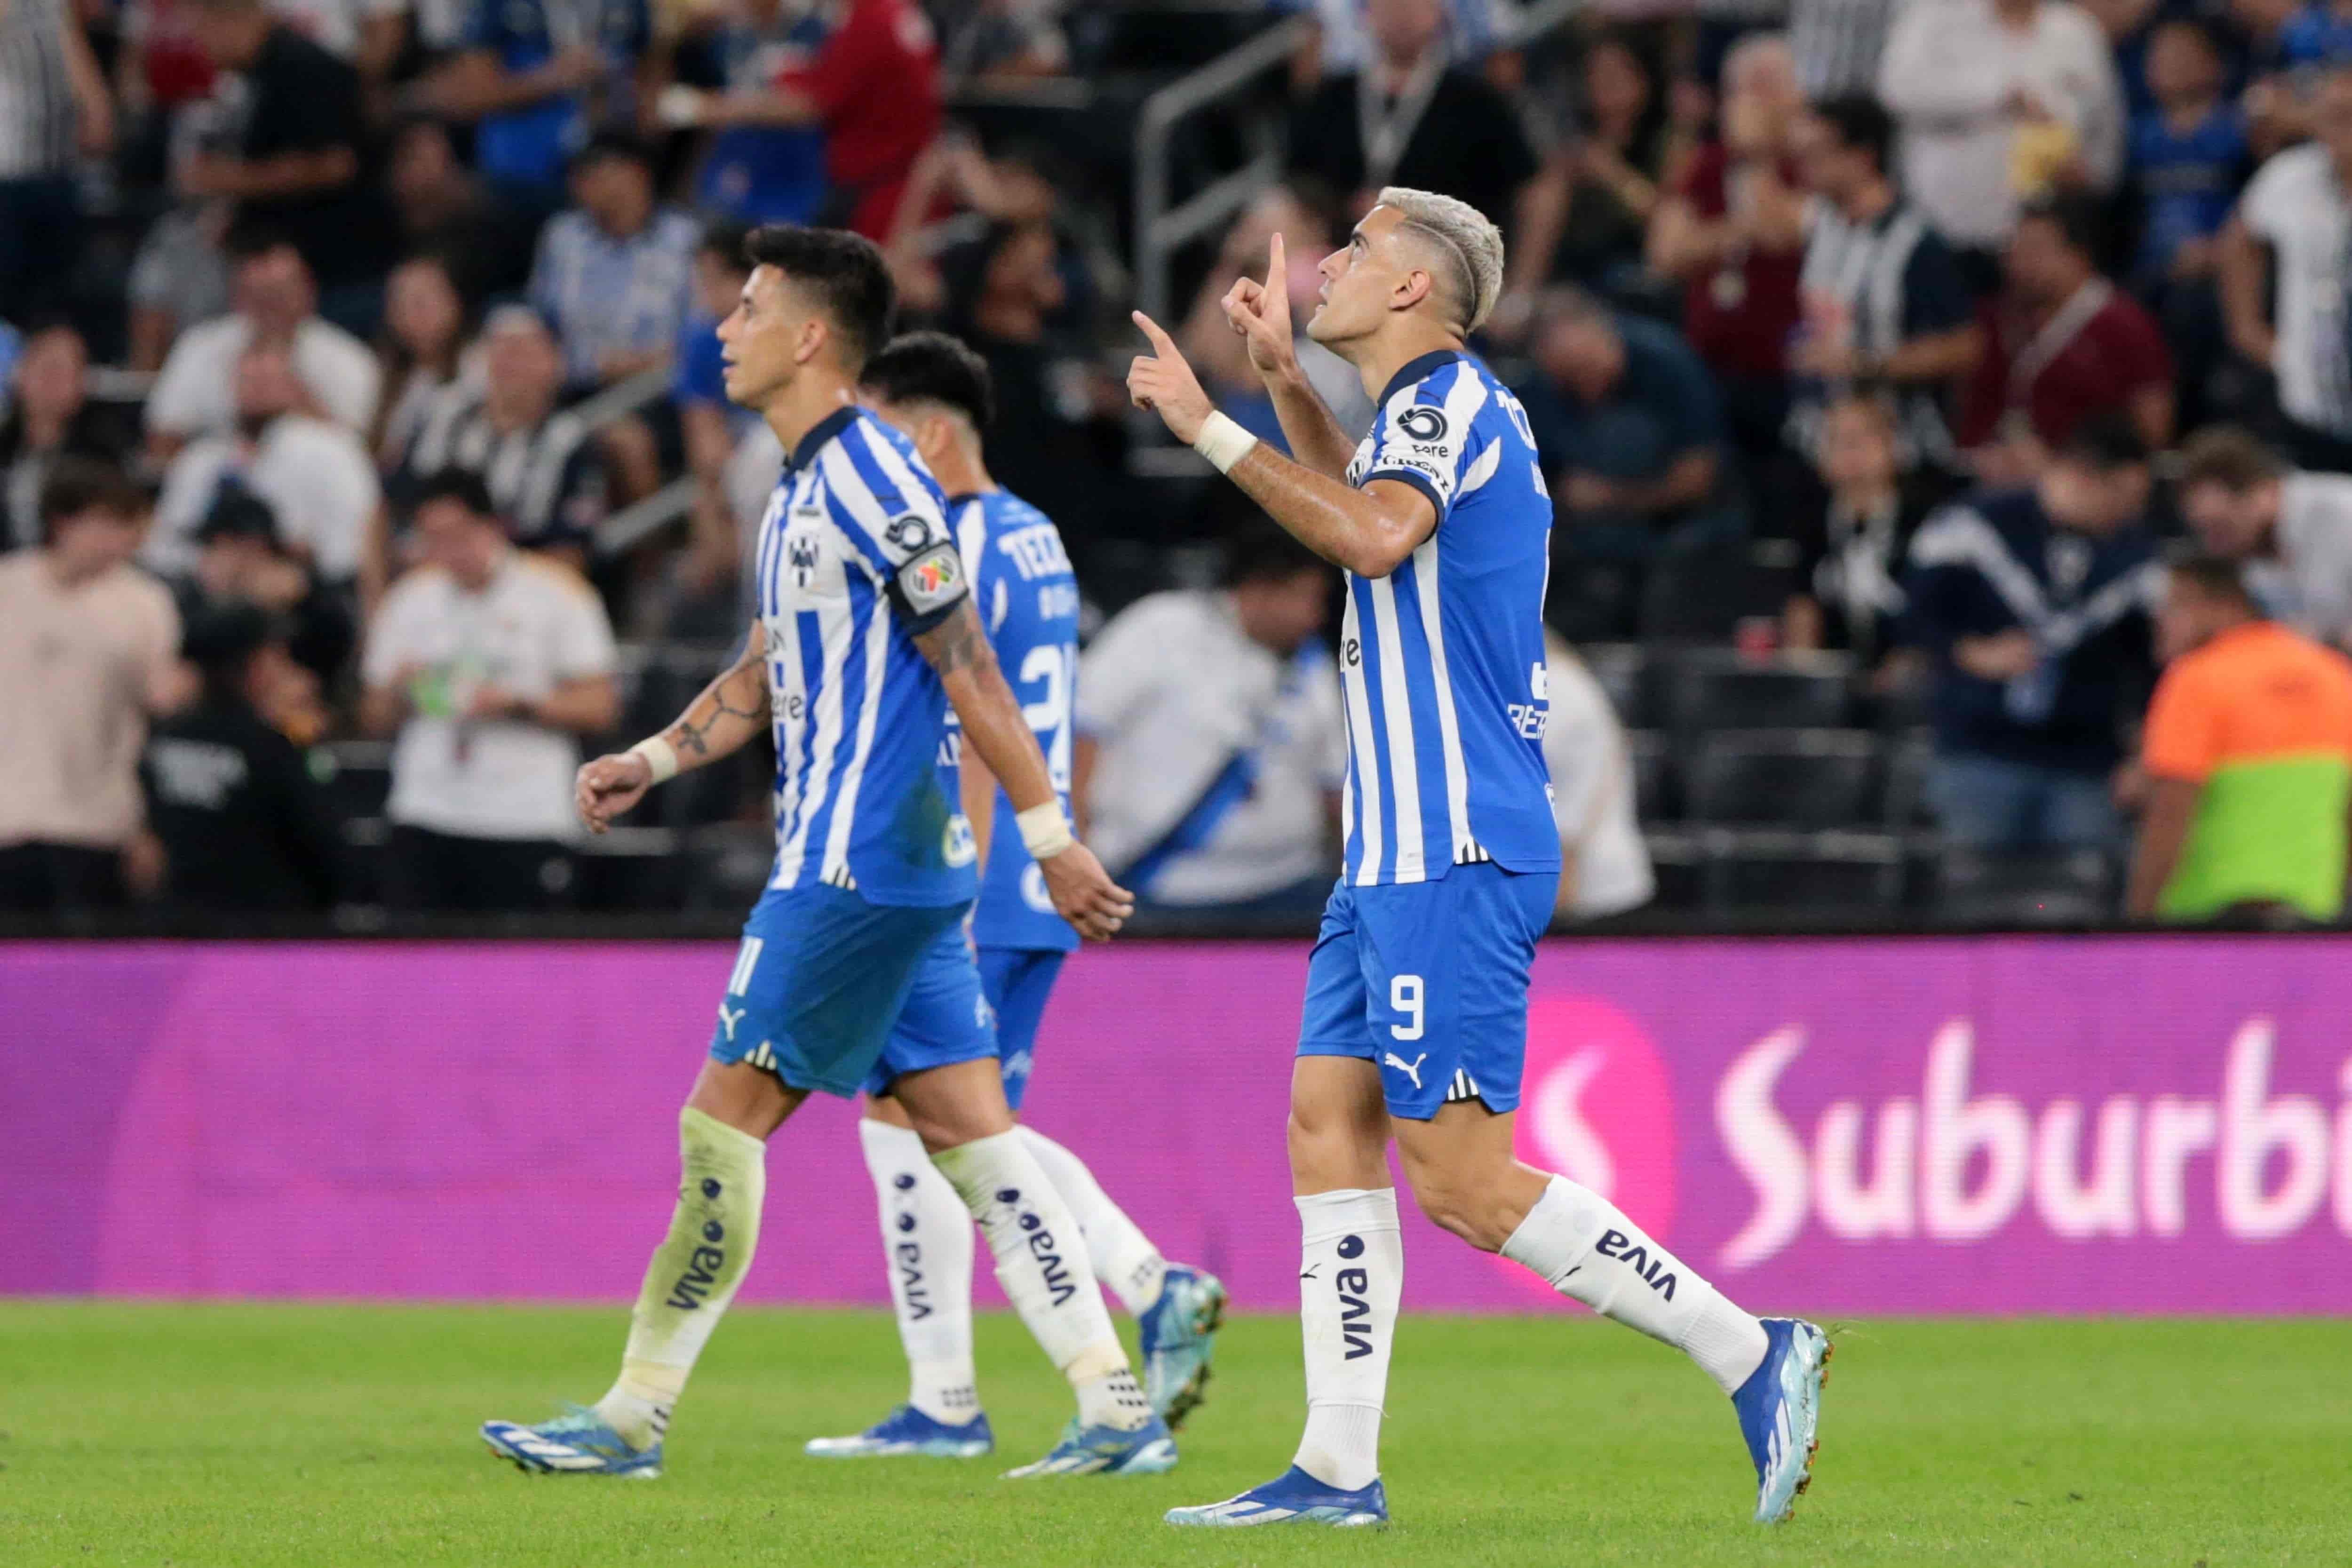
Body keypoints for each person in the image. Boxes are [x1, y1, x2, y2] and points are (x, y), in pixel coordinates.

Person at [1126, 191, 1827, 1528]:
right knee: (1328, 1124)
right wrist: (1281, 382)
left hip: (1449, 843)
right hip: (1390, 852)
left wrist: (1209, 426)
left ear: (1411, 295)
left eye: (1357, 252)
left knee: (1461, 1176)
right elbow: (1368, 508)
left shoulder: (1448, 402)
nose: (1326, 263)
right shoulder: (1414, 419)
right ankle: (1335, 1470)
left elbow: (1373, 535)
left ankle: (1753, 1348)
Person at [478, 223, 1159, 1482]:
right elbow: (763, 671)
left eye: (746, 309)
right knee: (977, 1137)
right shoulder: (797, 485)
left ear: (806, 336)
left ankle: (631, 1415)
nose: (722, 330)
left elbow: (976, 675)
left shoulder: (878, 483)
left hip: (856, 865)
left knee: (720, 1124)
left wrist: (1055, 839)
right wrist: (657, 757)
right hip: (894, 867)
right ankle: (1117, 1402)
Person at [801, 329, 1229, 1460]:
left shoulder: (954, 544)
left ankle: (1111, 1310)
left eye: (889, 435)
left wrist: (970, 886)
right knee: (944, 1124)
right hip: (1027, 880)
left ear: (935, 433)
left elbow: (976, 723)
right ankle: (965, 1386)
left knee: (942, 1127)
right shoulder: (1035, 535)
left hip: (983, 878)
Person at [358, 469, 620, 910]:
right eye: (431, 538)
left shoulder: (557, 593)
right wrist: (399, 692)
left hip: (524, 814)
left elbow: (601, 706)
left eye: (457, 535)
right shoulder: (409, 599)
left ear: (491, 526)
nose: (447, 552)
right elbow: (371, 718)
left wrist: (519, 705)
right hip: (426, 809)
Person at [1905, 414, 2160, 852]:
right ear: (2084, 478)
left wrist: (2143, 753)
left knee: (2077, 906)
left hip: (2086, 764)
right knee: (1973, 901)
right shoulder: (1973, 525)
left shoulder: (2138, 556)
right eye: (2124, 496)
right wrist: (1969, 652)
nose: (2131, 511)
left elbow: (2149, 661)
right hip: (1979, 752)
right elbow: (1912, 617)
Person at [1074, 521, 1347, 916]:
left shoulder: (1313, 666)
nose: (1316, 616)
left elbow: (1336, 788)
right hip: (1161, 887)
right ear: (1261, 588)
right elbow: (1083, 731)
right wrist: (1076, 857)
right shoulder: (1161, 626)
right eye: (1307, 598)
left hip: (1286, 889)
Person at [1285, 0, 1564, 302]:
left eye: (1416, 6)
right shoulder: (1333, 97)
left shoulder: (1476, 101)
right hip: (1340, 261)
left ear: (1439, 14)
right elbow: (1298, 183)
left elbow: (1537, 190)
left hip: (1445, 275)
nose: (1403, 16)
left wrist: (1520, 291)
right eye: (1391, 7)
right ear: (1366, 14)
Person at [2127, 554, 2352, 922]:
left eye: (2173, 605)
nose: (2160, 620)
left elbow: (2170, 812)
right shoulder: (2336, 673)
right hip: (2313, 913)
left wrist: (2137, 922)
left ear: (2223, 606)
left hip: (2210, 915)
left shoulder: (2197, 678)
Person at [0, 461, 183, 913]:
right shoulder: (7, 587)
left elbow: (160, 701)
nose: (122, 539)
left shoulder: (146, 603)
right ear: (63, 521)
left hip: (96, 825)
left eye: (128, 526)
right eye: (107, 523)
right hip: (9, 819)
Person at [1788, 96, 1983, 477]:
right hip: (1819, 441)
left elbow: (1965, 347)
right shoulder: (1822, 226)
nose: (1804, 167)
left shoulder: (1916, 244)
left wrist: (1867, 364)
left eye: (1817, 153)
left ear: (1862, 156)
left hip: (1901, 450)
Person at [1648, 32, 1809, 466]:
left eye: (1767, 86)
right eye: (1744, 88)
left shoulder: (1813, 160)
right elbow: (1666, 253)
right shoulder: (1706, 164)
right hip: (1711, 362)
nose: (1754, 102)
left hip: (1790, 366)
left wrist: (1755, 159)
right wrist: (1738, 231)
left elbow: (1785, 233)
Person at [1875, 0, 2125, 277]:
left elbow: (2107, 123)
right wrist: (2000, 95)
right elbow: (1898, 90)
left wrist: (2092, 175)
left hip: (2047, 235)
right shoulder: (1935, 16)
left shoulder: (2076, 30)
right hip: (1950, 225)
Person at [656, 0, 940, 243]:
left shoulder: (871, 18)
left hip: (876, 181)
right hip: (885, 172)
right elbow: (828, 83)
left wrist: (703, 108)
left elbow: (812, 105)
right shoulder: (890, 11)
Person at [181, 0, 391, 320]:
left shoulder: (305, 67)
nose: (202, 46)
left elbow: (336, 163)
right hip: (283, 267)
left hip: (337, 271)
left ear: (229, 21)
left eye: (203, 32)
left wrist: (234, 180)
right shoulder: (254, 75)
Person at [140, 601, 346, 911]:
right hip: (261, 931)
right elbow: (324, 849)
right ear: (254, 668)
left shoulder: (163, 740)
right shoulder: (269, 748)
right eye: (276, 656)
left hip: (176, 927)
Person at [1955, 191, 2174, 479]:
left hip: (2082, 482)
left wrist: (2065, 466)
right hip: (1986, 475)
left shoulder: (2124, 326)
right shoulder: (1994, 318)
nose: (2020, 265)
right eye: (2014, 252)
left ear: (2079, 256)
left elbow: (2153, 430)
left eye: (2035, 252)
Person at [1514, 287, 1737, 559]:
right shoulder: (1541, 388)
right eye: (1570, 377)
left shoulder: (1669, 366)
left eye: (1589, 368)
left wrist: (1608, 497)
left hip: (1677, 521)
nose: (1588, 386)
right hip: (1579, 532)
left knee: (1626, 435)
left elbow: (1699, 479)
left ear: (1609, 336)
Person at [386, 304, 613, 569]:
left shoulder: (571, 441)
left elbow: (573, 551)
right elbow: (387, 504)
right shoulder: (443, 416)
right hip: (430, 577)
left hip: (523, 588)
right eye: (500, 349)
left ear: (555, 362)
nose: (509, 363)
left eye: (523, 351)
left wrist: (494, 583)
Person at [151, 339, 381, 586]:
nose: (257, 391)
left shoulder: (333, 450)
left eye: (267, 381)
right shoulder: (202, 458)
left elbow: (356, 543)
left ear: (294, 387)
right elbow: (161, 546)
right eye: (247, 380)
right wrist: (204, 563)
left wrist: (297, 567)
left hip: (304, 589)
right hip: (206, 588)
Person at [145, 231, 381, 460]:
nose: (270, 307)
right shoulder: (200, 345)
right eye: (257, 295)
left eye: (279, 294)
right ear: (237, 297)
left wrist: (297, 402)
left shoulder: (349, 358)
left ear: (308, 292)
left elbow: (360, 457)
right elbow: (161, 439)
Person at [2219, 63, 2352, 472]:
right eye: (2335, 117)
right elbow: (2239, 239)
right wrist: (2248, 328)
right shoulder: (2290, 177)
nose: (2344, 129)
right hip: (2310, 403)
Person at [528, 133, 699, 397]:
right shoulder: (563, 236)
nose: (582, 184)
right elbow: (539, 319)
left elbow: (701, 329)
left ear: (637, 174)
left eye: (595, 171)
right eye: (578, 175)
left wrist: (641, 365)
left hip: (660, 390)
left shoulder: (685, 239)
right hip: (571, 383)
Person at [423, 0, 651, 198]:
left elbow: (650, 78)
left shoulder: (628, 5)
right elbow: (473, 94)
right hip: (520, 176)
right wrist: (555, 77)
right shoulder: (497, 6)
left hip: (610, 170)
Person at [1783, 392, 1937, 669]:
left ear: (1895, 446)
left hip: (1910, 678)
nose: (1852, 450)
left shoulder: (1926, 520)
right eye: (1838, 440)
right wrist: (1803, 675)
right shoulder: (1812, 519)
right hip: (1835, 674)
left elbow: (1938, 613)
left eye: (1865, 437)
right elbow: (1803, 608)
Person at [2176, 425, 2352, 652]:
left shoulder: (2344, 513)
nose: (2214, 546)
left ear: (2263, 494)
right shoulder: (2252, 561)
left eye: (2220, 527)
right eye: (2204, 531)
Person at [0, 0, 111, 322]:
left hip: (56, 167)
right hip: (8, 170)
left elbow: (72, 49)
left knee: (56, 290)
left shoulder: (51, 5)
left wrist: (97, 105)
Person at [1541, 631, 1654, 923]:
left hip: (1595, 892)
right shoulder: (1556, 679)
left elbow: (1571, 797)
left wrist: (1561, 886)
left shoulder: (1556, 687)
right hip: (1578, 879)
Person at [0, 323, 136, 554]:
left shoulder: (103, 454)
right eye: (44, 369)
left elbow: (119, 524)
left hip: (78, 572)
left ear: (81, 385)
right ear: (20, 374)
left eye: (63, 372)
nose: (50, 382)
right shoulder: (5, 445)